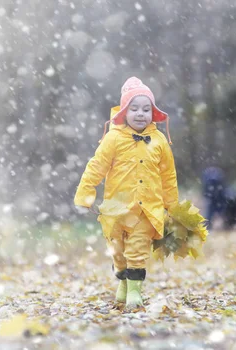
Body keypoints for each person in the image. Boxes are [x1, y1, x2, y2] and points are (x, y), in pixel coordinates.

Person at [74, 77, 177, 310]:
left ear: (153, 112)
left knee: (137, 250)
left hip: (146, 208)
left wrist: (172, 206)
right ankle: (122, 278)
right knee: (118, 252)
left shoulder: (159, 141)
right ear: (124, 112)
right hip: (116, 209)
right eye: (134, 108)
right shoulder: (113, 138)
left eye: (146, 109)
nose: (140, 114)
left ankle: (134, 292)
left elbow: (168, 175)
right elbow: (96, 166)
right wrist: (85, 195)